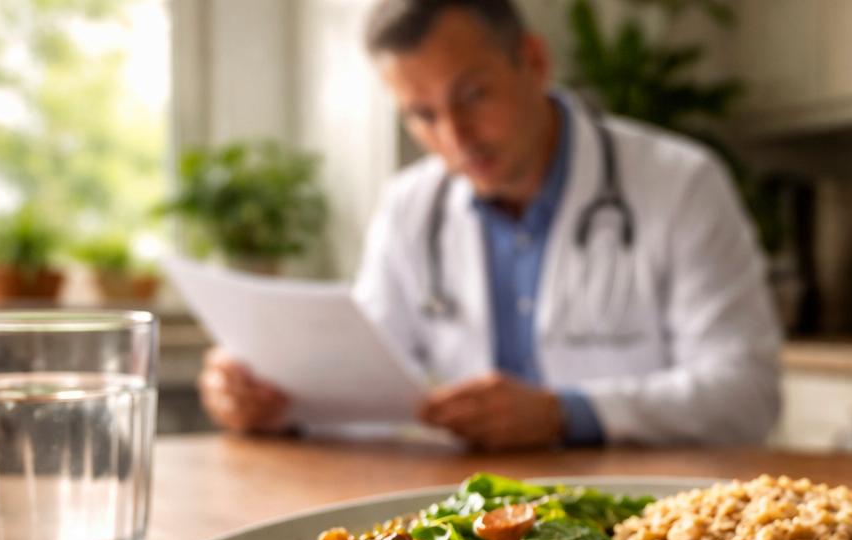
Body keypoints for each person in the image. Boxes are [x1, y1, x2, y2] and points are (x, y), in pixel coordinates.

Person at [198, 0, 781, 449]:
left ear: (532, 61)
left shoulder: (680, 183)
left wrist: (565, 412)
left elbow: (746, 394)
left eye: (472, 95)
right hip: (471, 519)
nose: (454, 137)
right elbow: (364, 387)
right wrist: (271, 402)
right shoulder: (410, 206)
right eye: (423, 116)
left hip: (644, 514)